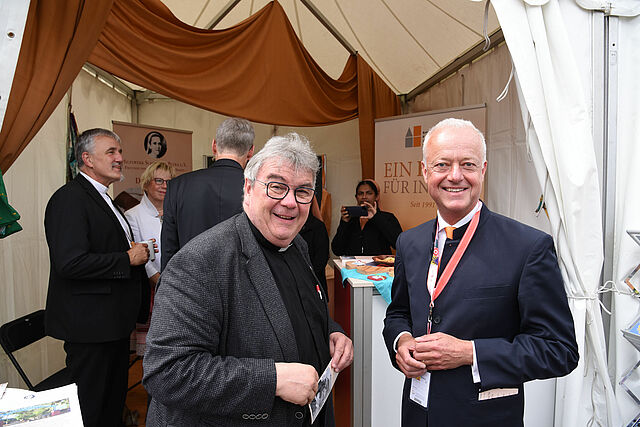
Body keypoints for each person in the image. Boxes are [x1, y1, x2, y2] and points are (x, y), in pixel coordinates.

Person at [144, 133, 353, 426]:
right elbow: (167, 371)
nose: (290, 202)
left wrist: (329, 332)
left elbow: (295, 308)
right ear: (248, 188)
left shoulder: (297, 245)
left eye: (303, 191)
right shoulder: (200, 261)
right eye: (277, 187)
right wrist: (274, 380)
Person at [382, 118, 579, 426]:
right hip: (417, 415)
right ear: (425, 172)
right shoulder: (410, 242)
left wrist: (469, 353)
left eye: (468, 164)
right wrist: (402, 341)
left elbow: (559, 350)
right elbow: (397, 314)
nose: (455, 176)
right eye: (442, 165)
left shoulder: (527, 247)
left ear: (483, 170)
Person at [44, 128, 151, 427]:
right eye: (111, 152)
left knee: (111, 402)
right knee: (90, 406)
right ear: (87, 159)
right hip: (90, 327)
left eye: (119, 151)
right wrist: (125, 258)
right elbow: (70, 262)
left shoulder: (104, 198)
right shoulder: (70, 199)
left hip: (111, 325)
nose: (120, 158)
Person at [161, 117, 254, 269]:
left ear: (214, 146)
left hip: (190, 284)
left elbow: (169, 250)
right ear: (250, 152)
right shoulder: (258, 189)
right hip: (242, 287)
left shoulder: (178, 186)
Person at [125, 161, 176, 355]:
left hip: (176, 289)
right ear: (146, 183)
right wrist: (161, 283)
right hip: (150, 291)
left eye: (169, 182)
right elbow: (140, 256)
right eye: (159, 181)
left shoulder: (177, 212)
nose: (164, 186)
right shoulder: (132, 216)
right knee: (151, 354)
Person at [331, 179, 402, 256]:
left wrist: (377, 218)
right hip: (352, 266)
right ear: (356, 197)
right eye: (360, 193)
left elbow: (399, 245)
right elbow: (337, 250)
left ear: (377, 196)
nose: (364, 197)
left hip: (379, 266)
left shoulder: (388, 217)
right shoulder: (351, 219)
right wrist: (344, 223)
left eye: (369, 193)